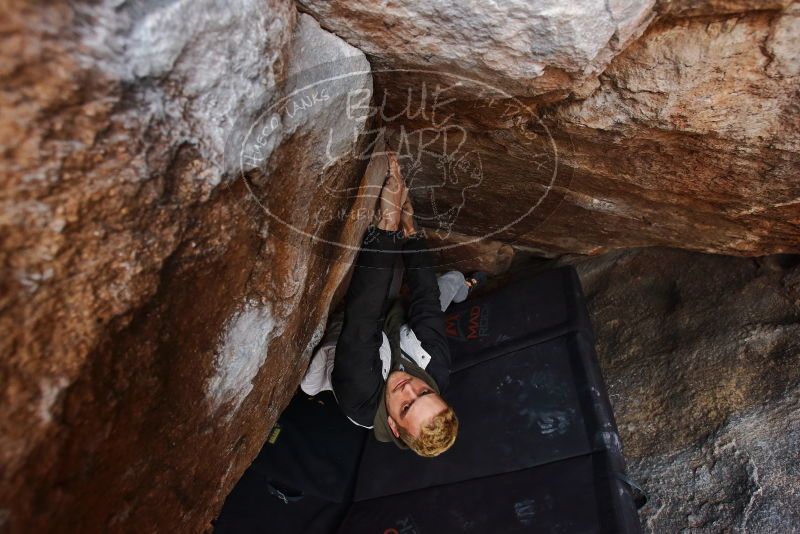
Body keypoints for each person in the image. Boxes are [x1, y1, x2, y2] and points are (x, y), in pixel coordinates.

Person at [300, 152, 484, 457]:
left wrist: (387, 223)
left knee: (385, 275)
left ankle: (462, 284)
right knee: (447, 284)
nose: (409, 388)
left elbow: (362, 317)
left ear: (394, 427)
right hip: (398, 320)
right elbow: (425, 298)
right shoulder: (436, 367)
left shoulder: (361, 397)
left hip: (359, 329)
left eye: (407, 406)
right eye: (425, 392)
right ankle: (466, 285)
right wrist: (410, 231)